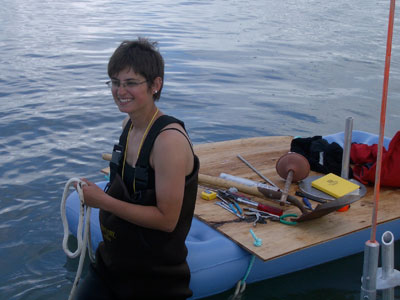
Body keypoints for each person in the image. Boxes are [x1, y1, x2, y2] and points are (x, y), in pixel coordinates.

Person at [74, 38, 199, 300]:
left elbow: (167, 221)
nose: (120, 91)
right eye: (115, 82)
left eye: (131, 83)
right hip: (113, 266)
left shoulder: (169, 142)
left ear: (156, 85)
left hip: (154, 281)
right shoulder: (128, 127)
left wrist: (104, 201)